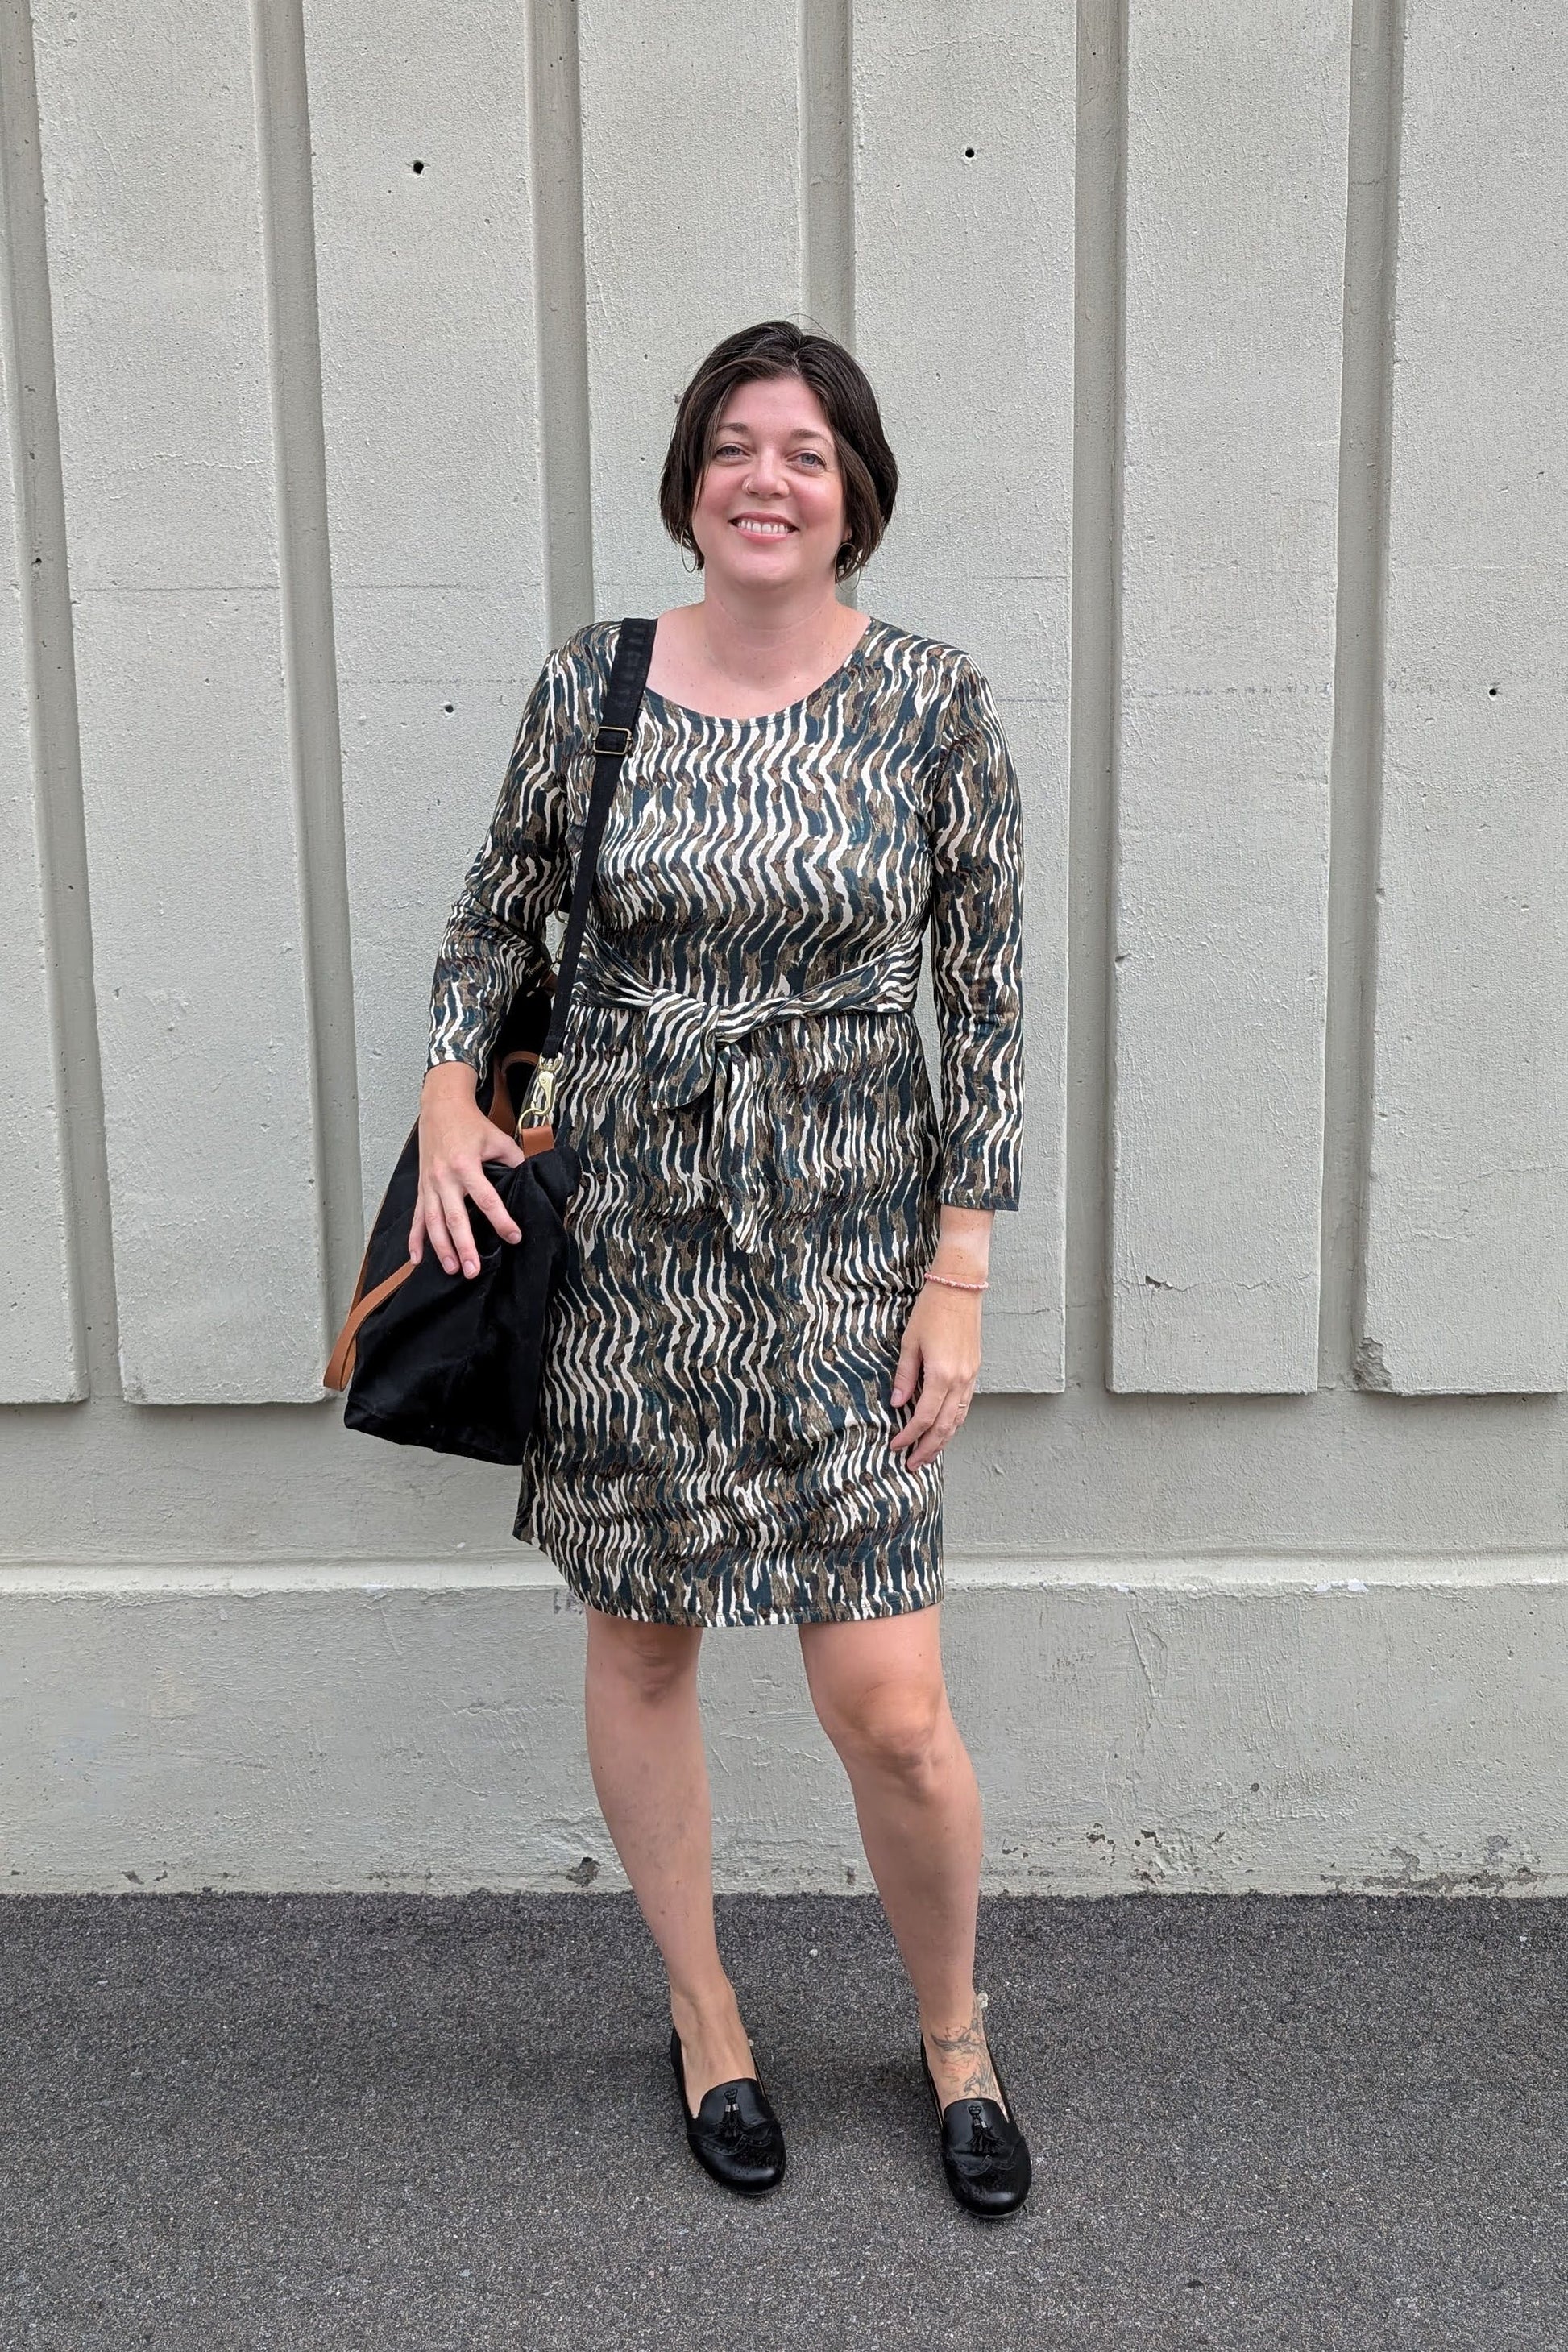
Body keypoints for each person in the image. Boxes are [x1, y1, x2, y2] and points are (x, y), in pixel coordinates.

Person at [413, 321, 1028, 2217]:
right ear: (689, 476)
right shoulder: (589, 687)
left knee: (890, 1705)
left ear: (855, 493)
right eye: (736, 445)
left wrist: (960, 1268)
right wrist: (452, 1091)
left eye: (809, 452)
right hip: (622, 1246)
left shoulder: (933, 703)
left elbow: (989, 1002)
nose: (769, 476)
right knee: (648, 1635)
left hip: (848, 1248)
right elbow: (493, 917)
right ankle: (704, 2012)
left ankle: (952, 2034)